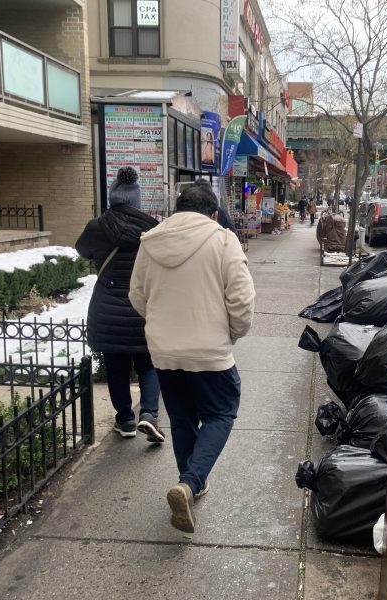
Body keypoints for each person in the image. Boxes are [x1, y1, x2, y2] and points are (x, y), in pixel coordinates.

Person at [129, 180, 255, 533]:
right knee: (221, 412)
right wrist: (231, 333)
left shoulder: (150, 242)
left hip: (164, 351)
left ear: (177, 210)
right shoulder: (223, 239)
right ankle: (190, 482)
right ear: (213, 213)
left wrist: (161, 325)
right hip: (210, 352)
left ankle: (189, 484)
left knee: (182, 419)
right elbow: (242, 301)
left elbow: (137, 296)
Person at [75, 166, 164, 443]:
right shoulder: (152, 229)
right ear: (138, 200)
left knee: (116, 365)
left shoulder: (97, 227)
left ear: (113, 198)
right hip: (143, 308)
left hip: (108, 309)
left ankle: (125, 419)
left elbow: (82, 251)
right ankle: (149, 414)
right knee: (149, 363)